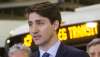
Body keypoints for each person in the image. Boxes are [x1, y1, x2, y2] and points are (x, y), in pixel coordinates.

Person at [25, 1, 89, 57]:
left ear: (55, 25)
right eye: (30, 24)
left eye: (40, 23)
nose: (34, 30)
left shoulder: (78, 55)